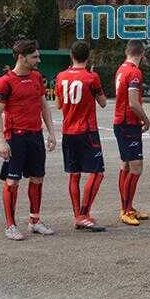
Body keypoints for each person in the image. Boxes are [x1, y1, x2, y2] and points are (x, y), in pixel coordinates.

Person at [0, 39, 57, 241]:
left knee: (38, 178)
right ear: (22, 57)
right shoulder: (5, 81)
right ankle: (10, 225)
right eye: (34, 57)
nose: (38, 60)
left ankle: (34, 221)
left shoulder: (37, 77)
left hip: (35, 135)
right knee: (12, 181)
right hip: (15, 137)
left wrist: (51, 132)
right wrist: (1, 140)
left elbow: (44, 106)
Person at [54, 41, 107, 232]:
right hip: (87, 131)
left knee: (74, 174)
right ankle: (84, 214)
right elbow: (103, 102)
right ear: (88, 56)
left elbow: (58, 105)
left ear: (71, 55)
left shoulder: (61, 76)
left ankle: (78, 216)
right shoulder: (91, 77)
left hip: (68, 132)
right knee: (97, 172)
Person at [113, 39, 150, 226]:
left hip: (121, 123)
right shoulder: (134, 72)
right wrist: (146, 119)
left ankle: (127, 207)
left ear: (127, 52)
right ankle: (126, 209)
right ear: (142, 53)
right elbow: (133, 103)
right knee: (136, 167)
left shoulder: (121, 69)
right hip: (128, 124)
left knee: (126, 165)